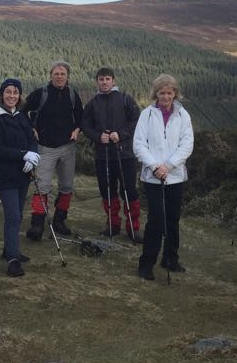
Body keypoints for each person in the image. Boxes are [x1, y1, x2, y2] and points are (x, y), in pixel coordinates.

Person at [134, 74, 194, 281]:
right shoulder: (147, 115)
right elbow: (139, 144)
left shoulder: (183, 115)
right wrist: (155, 166)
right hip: (152, 178)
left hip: (176, 177)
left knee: (172, 220)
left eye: (169, 93)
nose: (165, 96)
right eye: (162, 93)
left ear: (175, 93)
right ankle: (146, 263)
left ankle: (170, 259)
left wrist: (168, 166)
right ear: (156, 94)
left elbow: (187, 144)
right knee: (156, 220)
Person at [0, 78, 38, 277]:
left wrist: (33, 156)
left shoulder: (20, 116)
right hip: (5, 174)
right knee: (13, 215)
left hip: (22, 173)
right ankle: (13, 260)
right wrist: (23, 154)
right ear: (1, 94)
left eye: (15, 93)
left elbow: (32, 138)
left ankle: (9, 249)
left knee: (18, 213)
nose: (12, 96)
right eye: (8, 92)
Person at [22, 61, 84, 239]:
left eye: (62, 74)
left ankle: (59, 221)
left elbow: (81, 116)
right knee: (42, 186)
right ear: (50, 75)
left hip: (67, 147)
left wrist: (77, 129)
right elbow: (22, 111)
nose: (59, 76)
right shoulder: (40, 94)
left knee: (66, 186)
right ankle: (37, 224)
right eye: (56, 73)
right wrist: (30, 128)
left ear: (67, 76)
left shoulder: (72, 95)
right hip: (45, 147)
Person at [81, 67, 142, 240]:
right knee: (107, 191)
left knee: (129, 191)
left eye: (108, 79)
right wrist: (98, 137)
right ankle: (113, 225)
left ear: (113, 81)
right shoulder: (92, 103)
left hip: (125, 154)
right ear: (97, 82)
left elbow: (137, 120)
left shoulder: (125, 99)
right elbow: (85, 126)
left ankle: (133, 227)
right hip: (103, 155)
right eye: (101, 79)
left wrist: (121, 134)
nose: (105, 82)